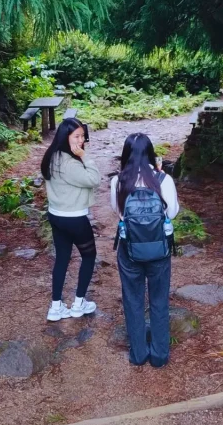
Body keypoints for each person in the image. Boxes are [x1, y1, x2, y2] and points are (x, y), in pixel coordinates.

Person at [111, 133, 179, 367]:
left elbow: (118, 212)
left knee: (133, 300)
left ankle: (138, 354)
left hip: (129, 249)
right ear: (151, 153)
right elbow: (171, 213)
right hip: (159, 249)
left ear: (126, 154)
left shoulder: (119, 181)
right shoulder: (163, 179)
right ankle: (159, 356)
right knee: (159, 301)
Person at [41, 117, 101, 321]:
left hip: (56, 215)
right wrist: (85, 156)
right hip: (74, 218)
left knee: (62, 258)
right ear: (64, 137)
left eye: (83, 136)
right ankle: (78, 303)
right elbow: (94, 179)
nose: (81, 141)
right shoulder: (69, 163)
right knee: (89, 256)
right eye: (76, 136)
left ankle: (56, 307)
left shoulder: (52, 156)